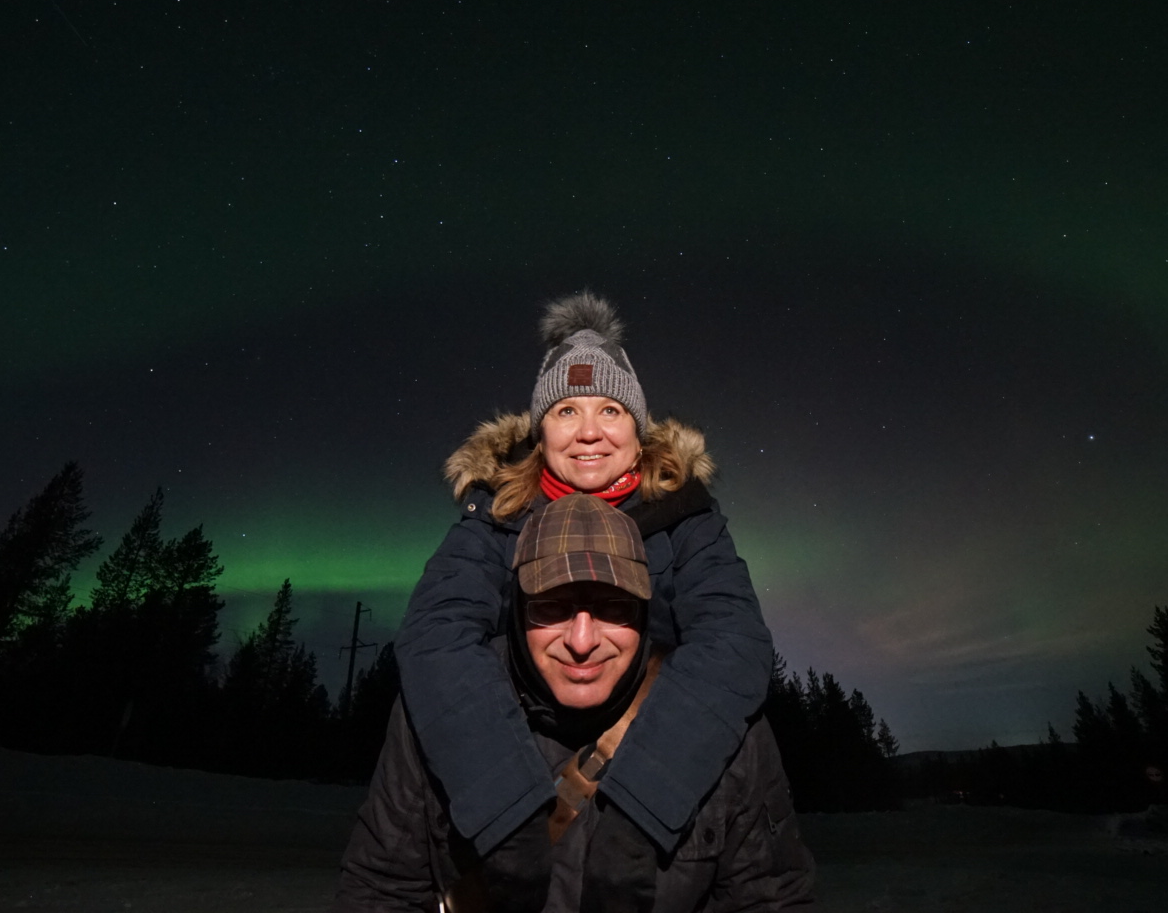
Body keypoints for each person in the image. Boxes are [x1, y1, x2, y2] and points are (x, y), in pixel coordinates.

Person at [393, 293, 775, 856]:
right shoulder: (497, 514)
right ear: (540, 432)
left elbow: (734, 641)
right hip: (527, 746)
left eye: (610, 410)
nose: (589, 432)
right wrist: (504, 806)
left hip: (653, 755)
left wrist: (646, 798)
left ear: (637, 428)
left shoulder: (686, 516)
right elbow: (435, 635)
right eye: (567, 411)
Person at [339, 494, 814, 911]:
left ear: (645, 613)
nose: (582, 641)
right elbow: (381, 891)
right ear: (518, 612)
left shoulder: (727, 725)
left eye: (613, 607)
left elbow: (770, 898)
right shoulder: (435, 710)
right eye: (551, 607)